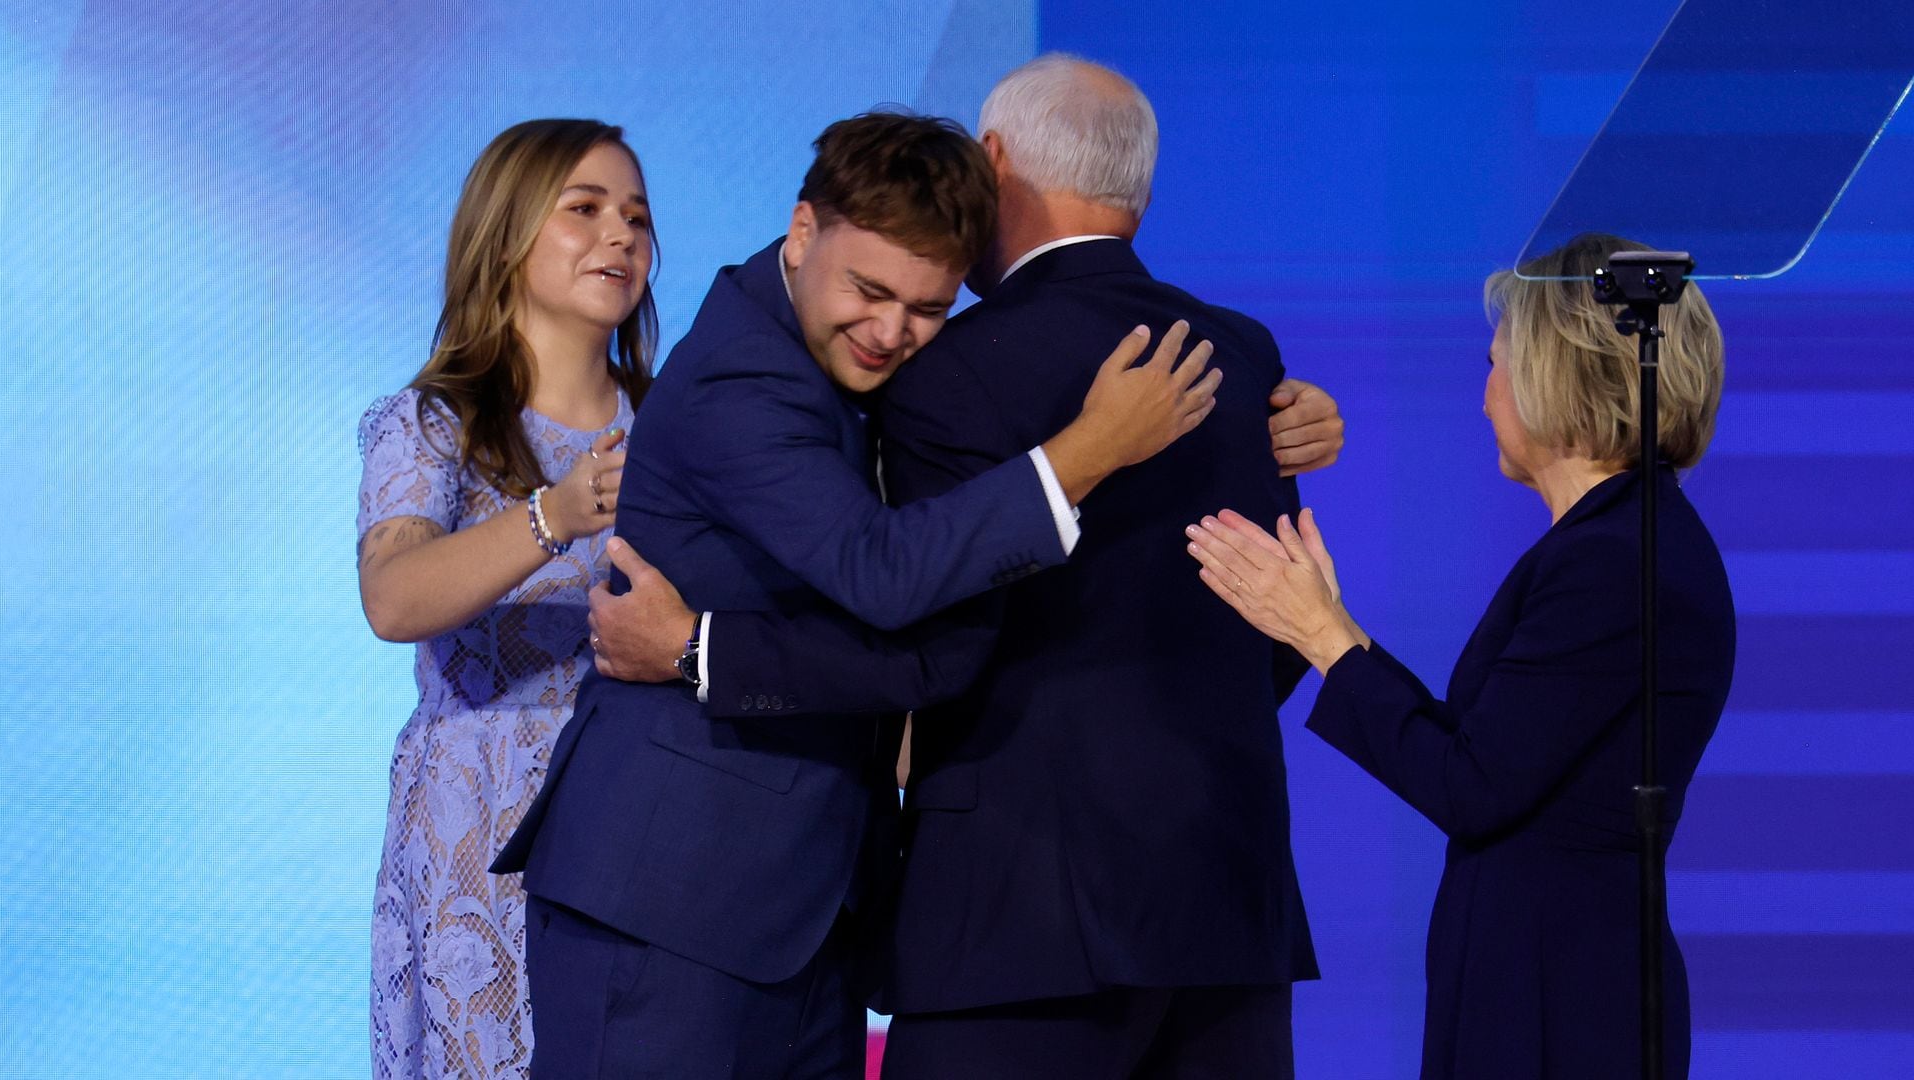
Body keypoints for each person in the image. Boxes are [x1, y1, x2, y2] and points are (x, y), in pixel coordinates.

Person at [591, 55, 1342, 1079]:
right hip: (1228, 902)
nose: (896, 330)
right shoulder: (1240, 355)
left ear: (991, 166)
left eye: (920, 307)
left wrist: (695, 650)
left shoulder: (955, 373)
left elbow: (929, 649)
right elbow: (1276, 644)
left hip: (1017, 918)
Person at [1185, 232, 1735, 1080]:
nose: (1484, 399)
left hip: (1558, 994)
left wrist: (1322, 639)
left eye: (1494, 363)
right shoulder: (1607, 543)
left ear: (1555, 371)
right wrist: (1337, 627)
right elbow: (1488, 753)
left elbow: (1472, 789)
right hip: (1537, 969)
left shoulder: (1614, 557)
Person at [355, 119, 655, 1079]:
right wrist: (551, 517)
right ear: (506, 236)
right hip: (477, 836)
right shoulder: (433, 424)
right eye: (585, 210)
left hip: (642, 818)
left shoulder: (678, 427)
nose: (621, 236)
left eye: (638, 219)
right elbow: (394, 599)